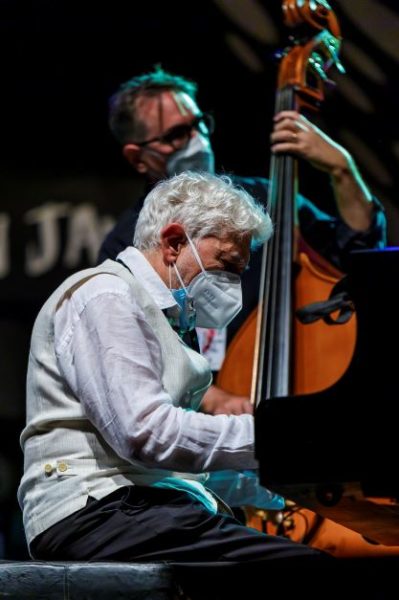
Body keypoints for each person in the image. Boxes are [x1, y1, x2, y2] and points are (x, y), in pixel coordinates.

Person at [18, 172, 341, 598]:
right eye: (227, 265)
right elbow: (146, 434)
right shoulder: (106, 296)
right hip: (93, 511)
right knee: (310, 575)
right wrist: (282, 436)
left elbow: (170, 465)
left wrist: (289, 490)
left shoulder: (160, 316)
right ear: (173, 243)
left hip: (134, 506)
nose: (233, 284)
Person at [98, 67, 386, 416]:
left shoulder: (262, 199)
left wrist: (342, 169)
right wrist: (213, 398)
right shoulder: (125, 244)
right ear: (136, 156)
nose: (197, 138)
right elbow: (134, 348)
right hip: (194, 424)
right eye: (176, 134)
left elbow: (356, 252)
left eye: (199, 122)